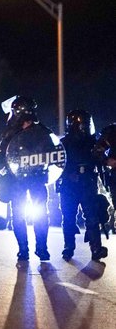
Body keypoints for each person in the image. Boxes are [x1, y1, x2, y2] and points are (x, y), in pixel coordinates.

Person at [0, 96, 55, 262]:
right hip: (17, 180)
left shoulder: (43, 133)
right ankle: (23, 249)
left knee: (41, 215)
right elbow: (3, 156)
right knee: (18, 216)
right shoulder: (11, 133)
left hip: (37, 178)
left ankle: (42, 247)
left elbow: (55, 154)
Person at [58, 109, 108, 261]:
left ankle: (96, 248)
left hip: (87, 181)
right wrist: (68, 174)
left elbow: (101, 161)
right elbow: (58, 163)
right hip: (69, 184)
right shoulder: (64, 143)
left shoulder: (93, 142)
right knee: (68, 217)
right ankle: (68, 247)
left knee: (92, 217)